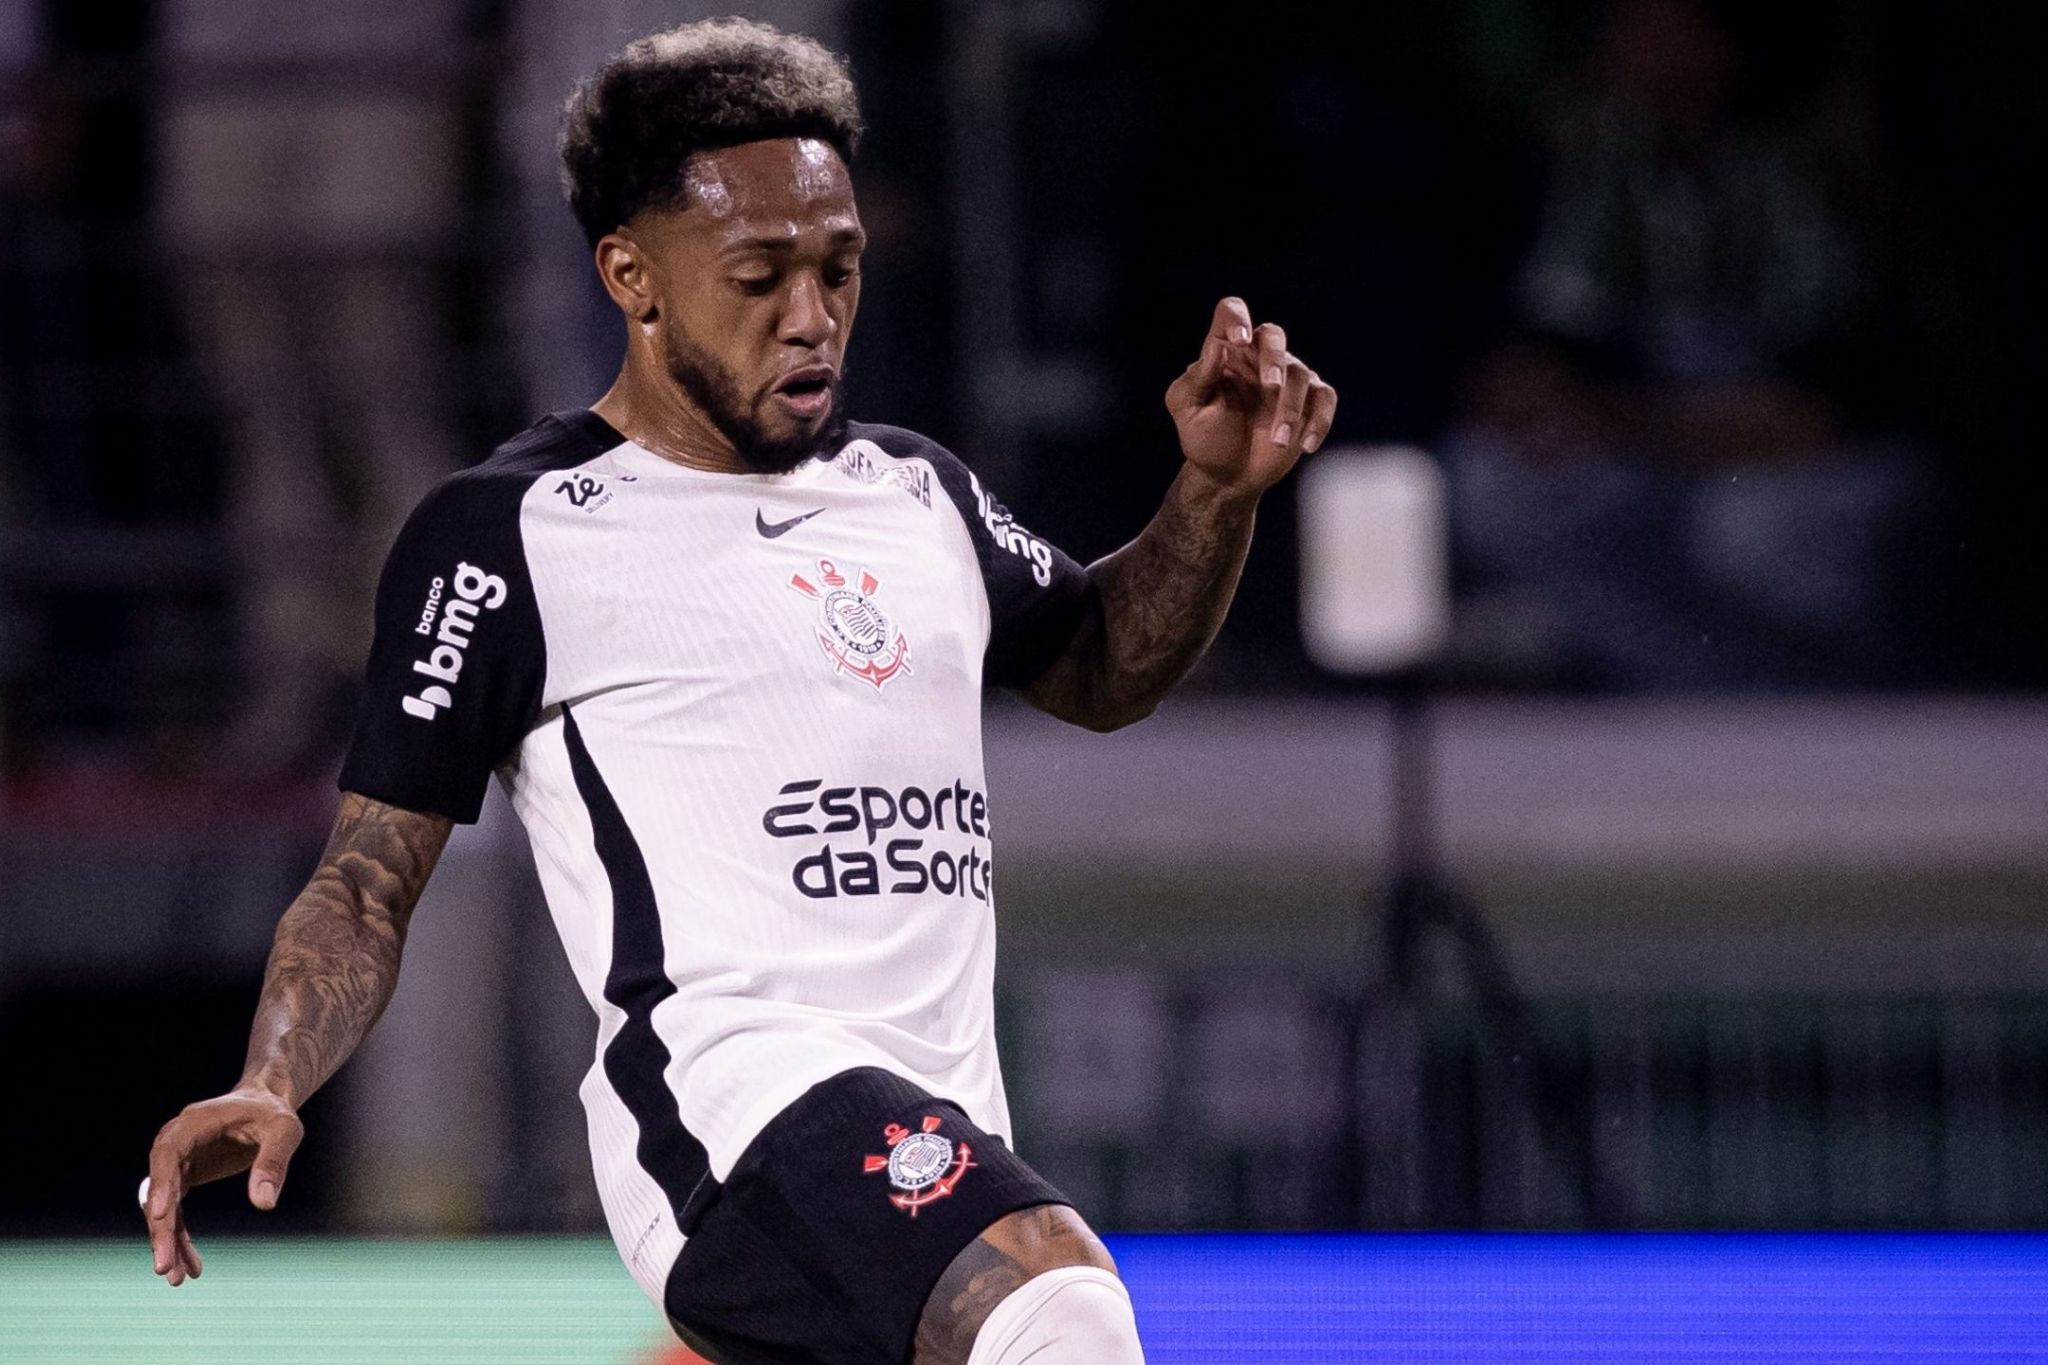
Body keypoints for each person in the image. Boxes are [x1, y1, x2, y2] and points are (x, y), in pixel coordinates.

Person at [142, 18, 1336, 1365]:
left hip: (934, 1121)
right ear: (633, 277)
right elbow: (367, 875)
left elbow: (1109, 661)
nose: (813, 315)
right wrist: (273, 1071)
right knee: (1057, 1304)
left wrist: (1215, 495)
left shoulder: (918, 492)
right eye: (761, 275)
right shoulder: (512, 530)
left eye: (840, 268)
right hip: (720, 1108)